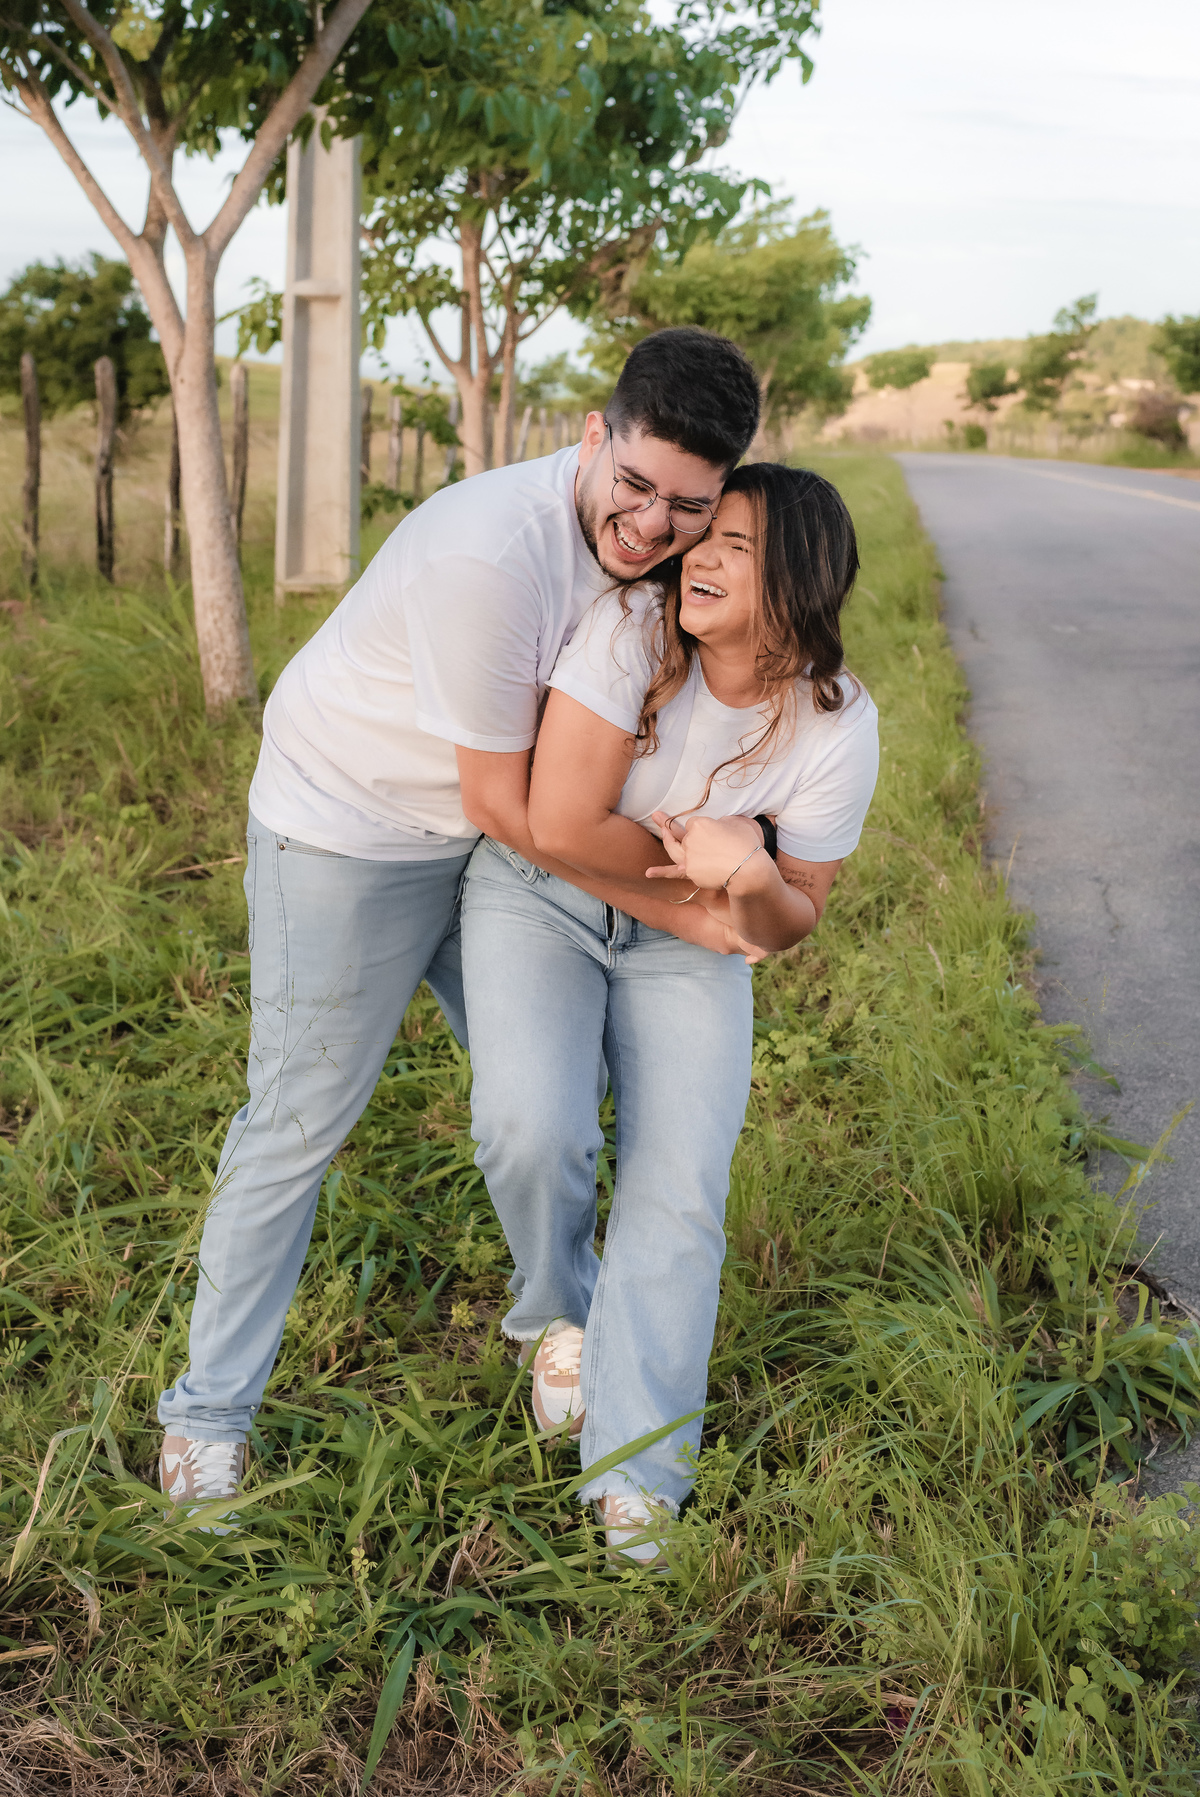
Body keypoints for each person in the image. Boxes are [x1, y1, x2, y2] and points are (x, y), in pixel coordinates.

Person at [156, 329, 764, 1511]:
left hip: (498, 851)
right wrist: (692, 906)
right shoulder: (490, 553)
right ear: (592, 435)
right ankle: (206, 1415)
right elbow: (512, 799)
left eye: (686, 507)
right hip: (354, 831)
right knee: (299, 1121)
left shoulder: (668, 557)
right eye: (632, 485)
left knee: (541, 1108)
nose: (648, 527)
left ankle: (559, 1321)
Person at [460, 459, 879, 1565]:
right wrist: (708, 907)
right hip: (539, 895)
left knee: (680, 1187)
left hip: (688, 939)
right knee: (530, 1126)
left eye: (739, 547)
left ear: (798, 581)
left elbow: (792, 922)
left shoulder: (835, 725)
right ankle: (556, 1315)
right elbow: (556, 821)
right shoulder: (632, 630)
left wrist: (745, 872)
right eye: (709, 537)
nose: (700, 557)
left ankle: (641, 1463)